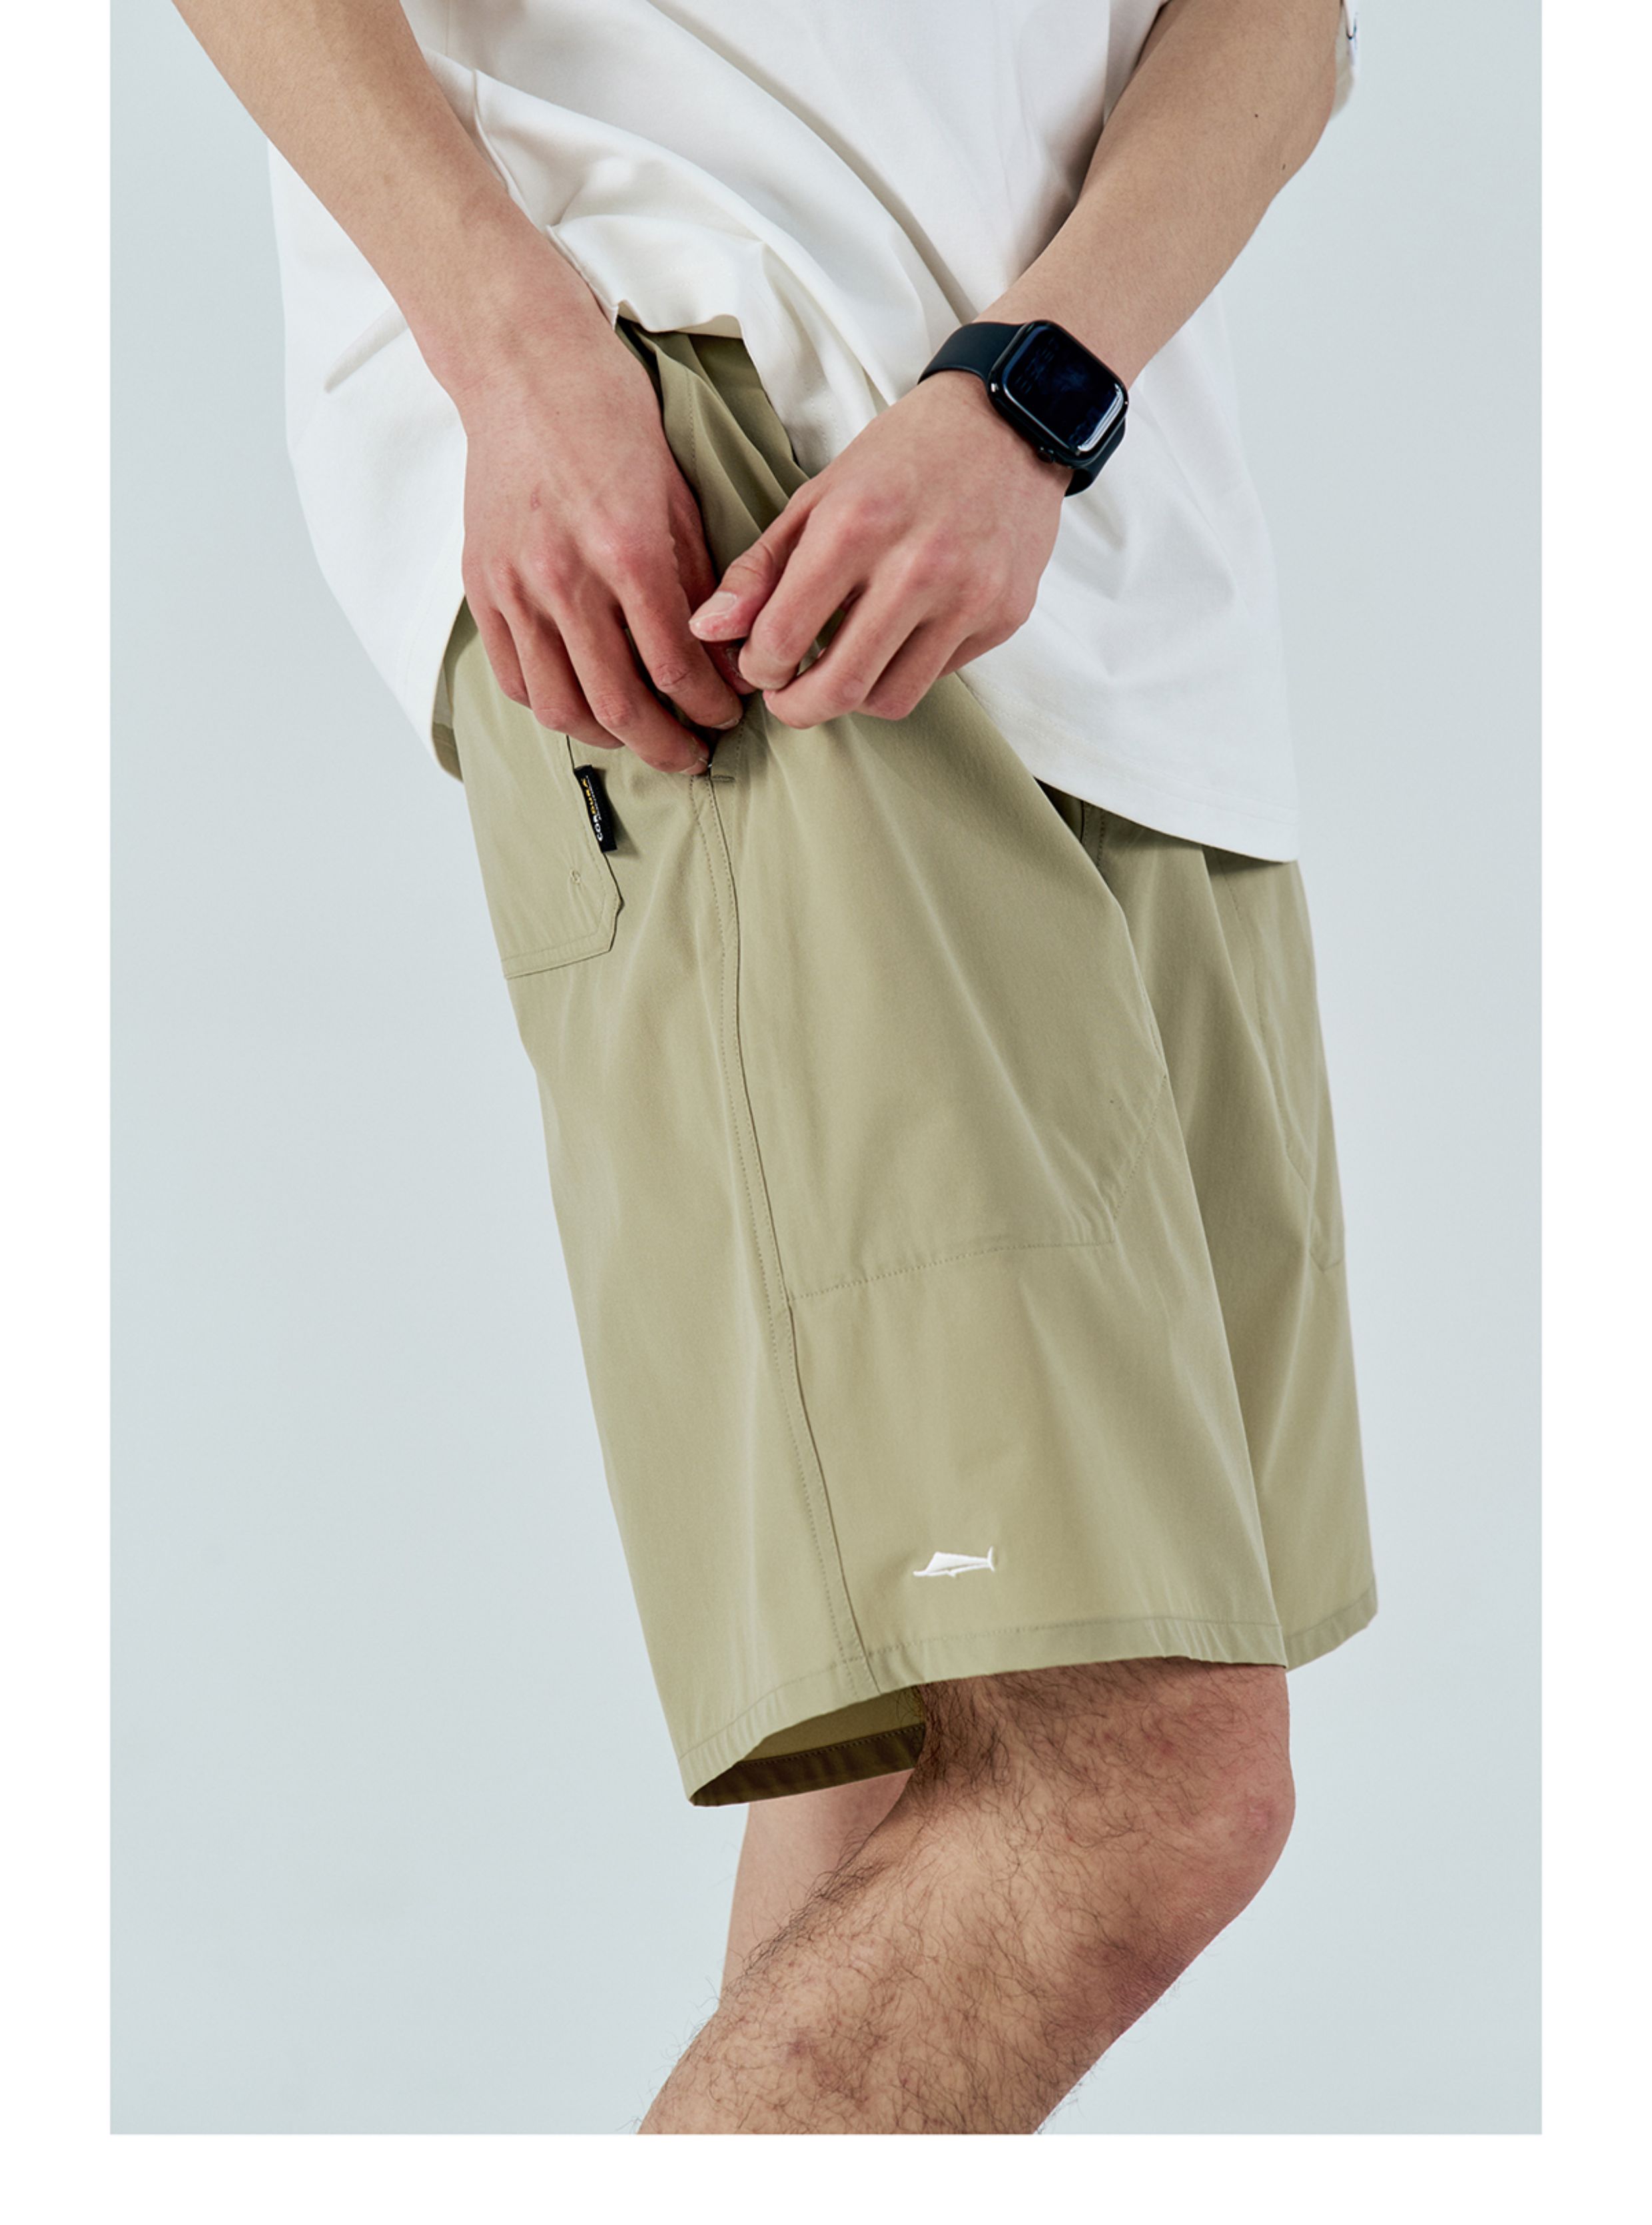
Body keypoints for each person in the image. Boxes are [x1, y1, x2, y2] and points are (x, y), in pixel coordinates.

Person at [175, 0, 1377, 2134]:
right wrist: (510, 344)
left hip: (1096, 557)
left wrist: (1038, 389)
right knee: (1143, 1775)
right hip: (717, 474)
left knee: (946, 1767)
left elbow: (1279, 30)